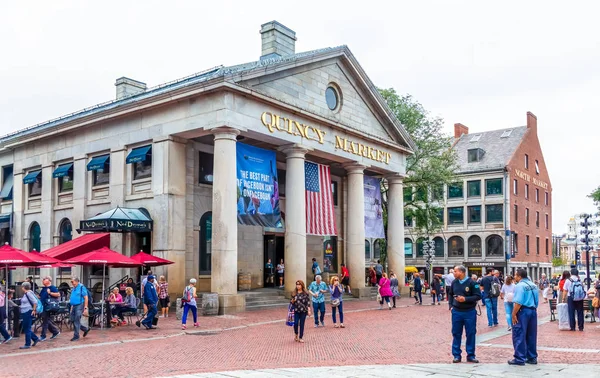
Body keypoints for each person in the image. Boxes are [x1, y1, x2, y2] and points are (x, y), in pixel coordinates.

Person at [450, 265, 481, 364]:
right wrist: (451, 305)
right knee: (456, 333)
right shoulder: (454, 282)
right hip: (456, 311)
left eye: (455, 271)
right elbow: (450, 294)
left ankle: (471, 355)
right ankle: (456, 355)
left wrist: (465, 299)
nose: (453, 273)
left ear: (462, 272)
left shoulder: (472, 283)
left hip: (469, 311)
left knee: (471, 333)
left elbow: (478, 296)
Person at [508, 269, 539, 366]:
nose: (515, 277)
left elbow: (518, 302)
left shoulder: (519, 286)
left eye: (515, 275)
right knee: (531, 334)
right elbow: (537, 300)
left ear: (519, 276)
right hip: (533, 310)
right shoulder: (533, 285)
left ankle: (519, 357)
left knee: (519, 333)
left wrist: (513, 314)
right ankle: (532, 357)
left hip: (523, 311)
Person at [38, 276, 60, 341]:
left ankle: (43, 335)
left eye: (44, 279)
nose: (43, 280)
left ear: (49, 280)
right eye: (43, 279)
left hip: (48, 306)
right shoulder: (43, 288)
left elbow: (58, 294)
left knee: (45, 321)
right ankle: (55, 331)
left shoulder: (52, 287)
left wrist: (50, 293)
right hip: (42, 306)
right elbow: (40, 296)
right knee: (46, 320)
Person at [19, 282, 40, 349]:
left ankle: (27, 344)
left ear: (23, 287)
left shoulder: (28, 293)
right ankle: (35, 338)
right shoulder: (27, 293)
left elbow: (35, 302)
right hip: (25, 311)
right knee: (26, 327)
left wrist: (33, 310)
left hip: (28, 311)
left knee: (27, 328)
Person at [69, 277, 90, 342]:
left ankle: (76, 336)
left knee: (76, 320)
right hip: (74, 306)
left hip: (79, 305)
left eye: (73, 282)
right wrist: (72, 306)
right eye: (71, 282)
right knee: (72, 320)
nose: (72, 283)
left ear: (77, 281)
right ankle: (85, 329)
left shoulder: (81, 287)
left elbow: (86, 297)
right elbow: (73, 297)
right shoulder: (74, 288)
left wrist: (85, 307)